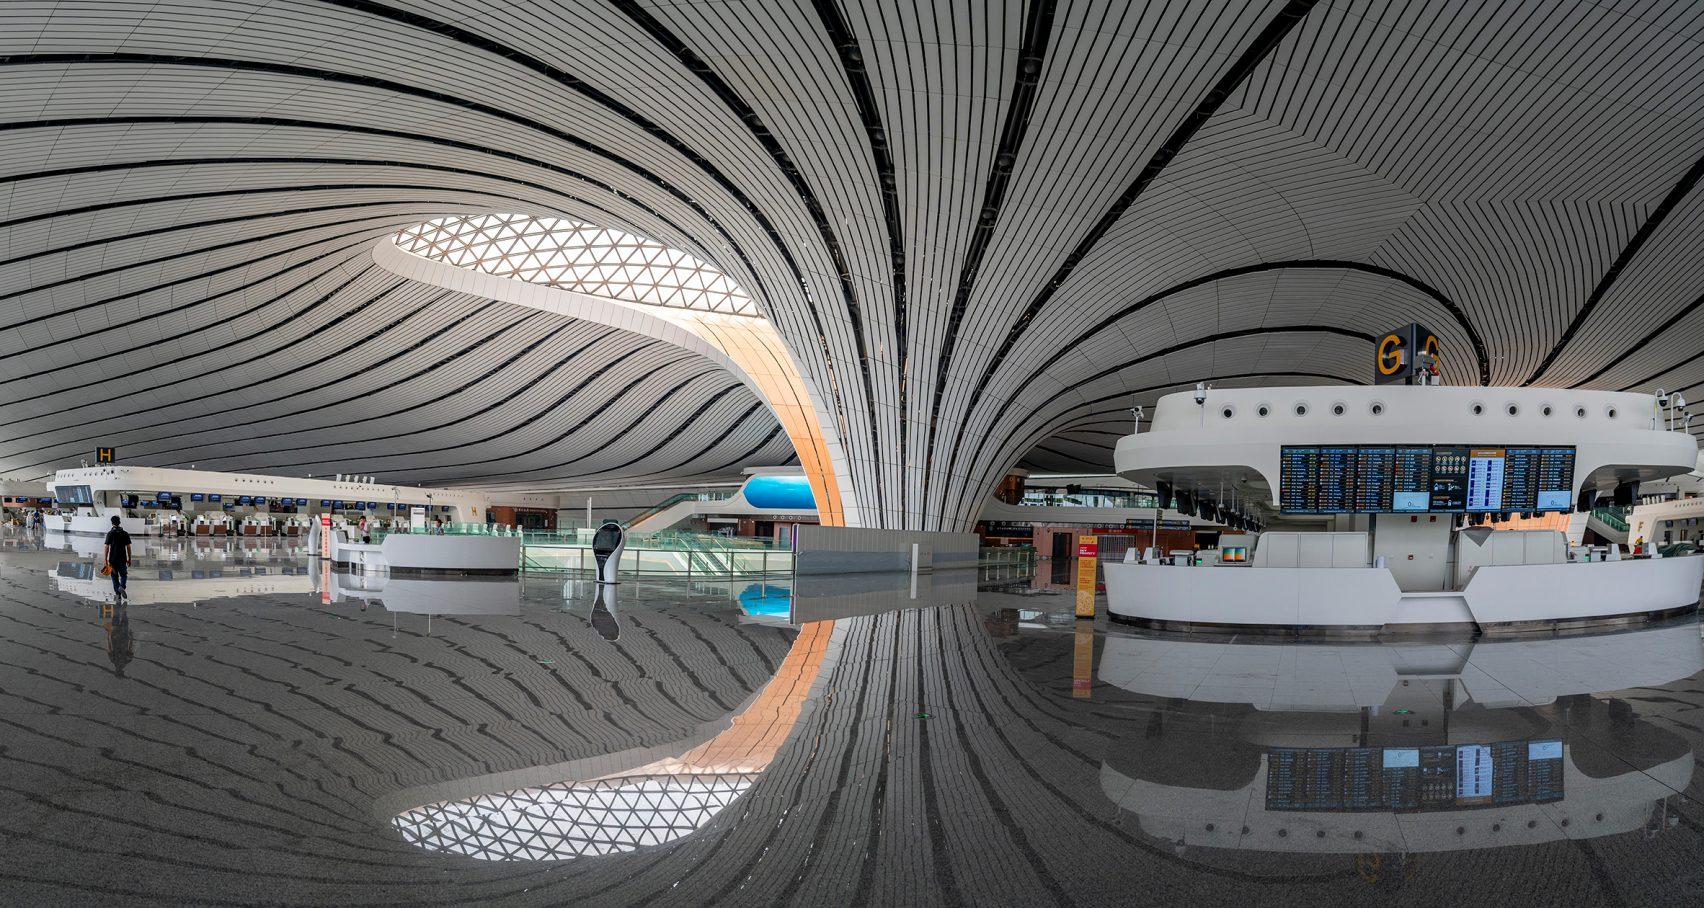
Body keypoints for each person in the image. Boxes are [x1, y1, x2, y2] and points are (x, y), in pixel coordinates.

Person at [102, 515, 132, 598]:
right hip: (122, 559)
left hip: (113, 559)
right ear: (119, 522)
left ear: (112, 523)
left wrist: (105, 559)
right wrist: (129, 559)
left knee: (114, 577)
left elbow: (107, 547)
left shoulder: (110, 533)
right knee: (124, 575)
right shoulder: (125, 533)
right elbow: (128, 547)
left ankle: (118, 593)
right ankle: (122, 587)